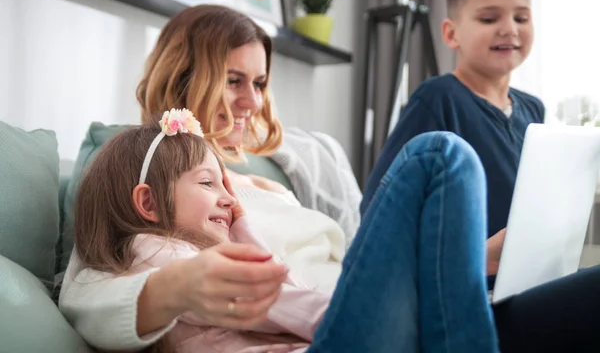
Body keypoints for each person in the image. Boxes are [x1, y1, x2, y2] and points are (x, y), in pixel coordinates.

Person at [63, 108, 498, 352]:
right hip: (331, 333)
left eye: (225, 182)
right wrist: (361, 307)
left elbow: (278, 288)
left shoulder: (208, 239)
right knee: (437, 154)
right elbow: (280, 299)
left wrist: (243, 226)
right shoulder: (159, 253)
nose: (229, 197)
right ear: (148, 204)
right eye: (207, 182)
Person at [362, 0, 600, 352]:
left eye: (521, 18)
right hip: (466, 301)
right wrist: (477, 255)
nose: (509, 29)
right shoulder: (437, 100)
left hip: (524, 288)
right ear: (451, 33)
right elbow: (376, 218)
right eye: (490, 19)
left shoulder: (532, 110)